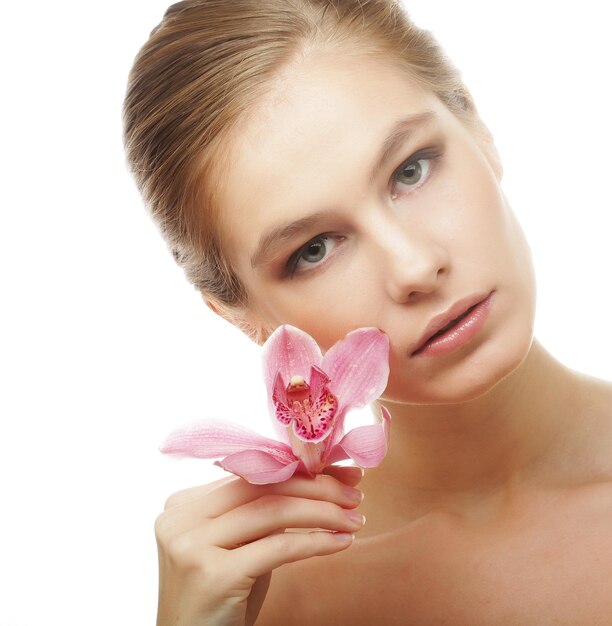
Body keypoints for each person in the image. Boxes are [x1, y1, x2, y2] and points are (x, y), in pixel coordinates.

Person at [123, 1, 612, 623]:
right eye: (314, 250)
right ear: (241, 317)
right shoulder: (268, 602)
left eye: (412, 169)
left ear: (478, 128)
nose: (414, 267)